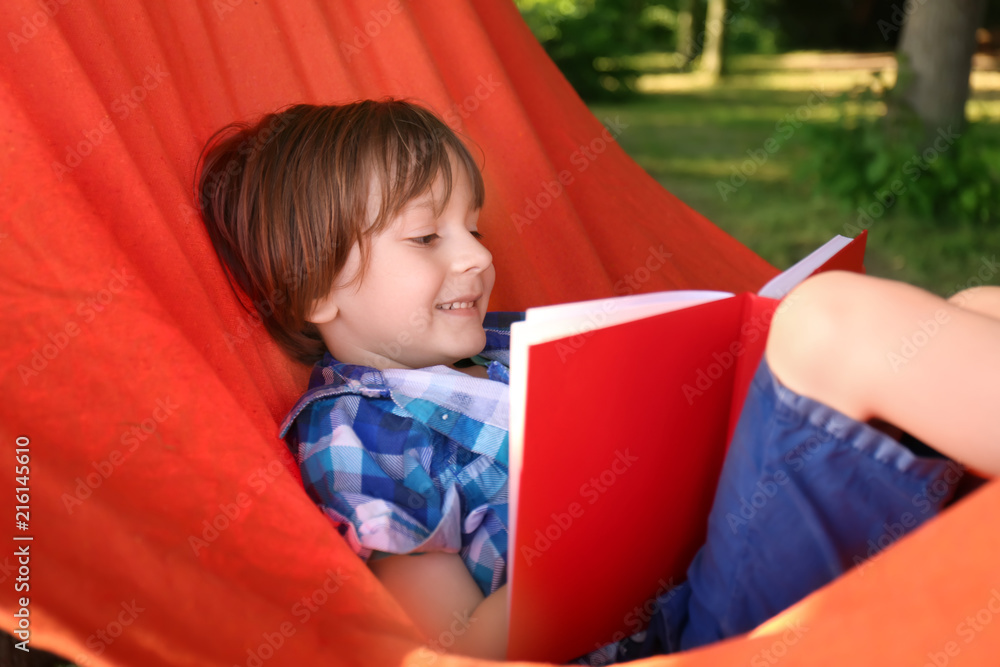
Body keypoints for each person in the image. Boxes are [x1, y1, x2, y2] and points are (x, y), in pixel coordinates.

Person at [195, 99, 1000, 663]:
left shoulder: (513, 341)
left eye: (471, 225)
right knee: (832, 327)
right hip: (690, 634)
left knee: (971, 307)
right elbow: (458, 651)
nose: (475, 256)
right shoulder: (360, 430)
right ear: (313, 288)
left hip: (728, 535)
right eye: (426, 236)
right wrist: (604, 512)